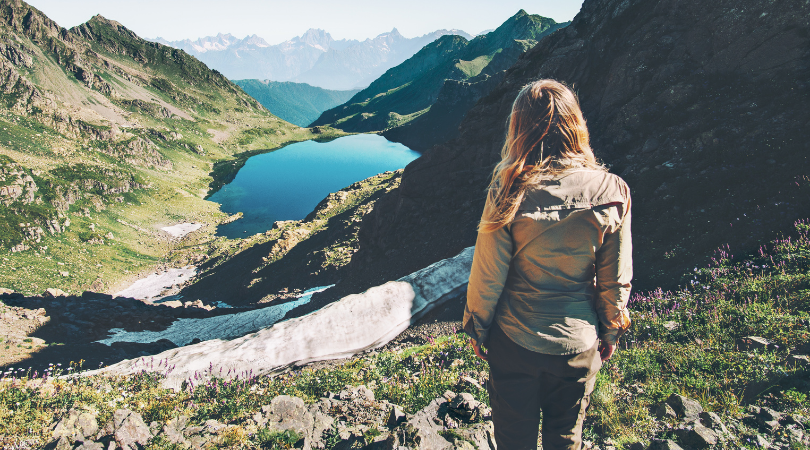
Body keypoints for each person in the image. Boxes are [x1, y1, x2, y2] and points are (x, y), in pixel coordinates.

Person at [463, 79, 632, 450]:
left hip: (515, 340)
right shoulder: (613, 191)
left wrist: (478, 326)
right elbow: (615, 279)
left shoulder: (508, 191)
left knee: (513, 440)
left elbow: (488, 274)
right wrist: (611, 330)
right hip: (578, 342)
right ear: (577, 126)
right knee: (566, 437)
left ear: (519, 128)